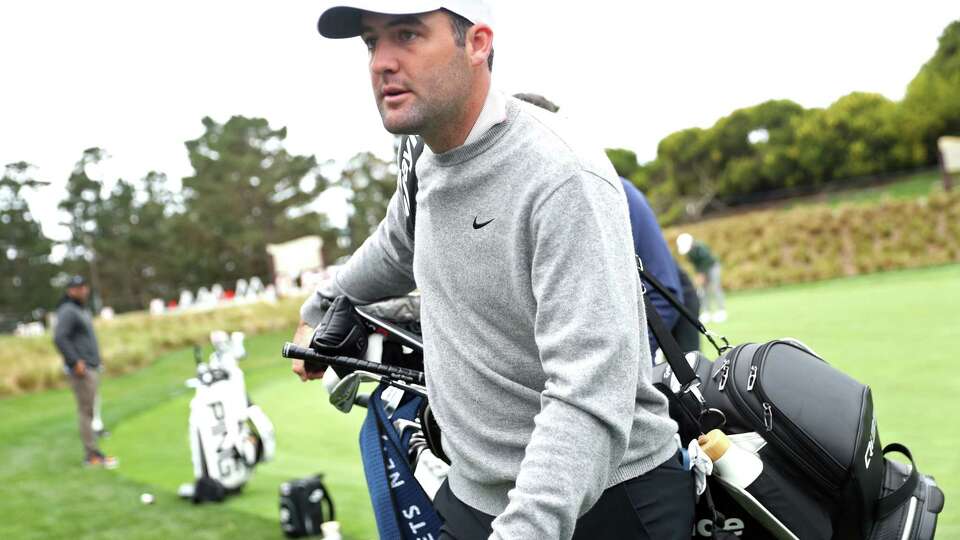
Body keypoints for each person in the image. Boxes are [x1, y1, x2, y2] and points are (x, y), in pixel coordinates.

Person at [294, 3, 693, 539]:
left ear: (477, 43)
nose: (381, 62)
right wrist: (320, 308)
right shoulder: (425, 157)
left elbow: (589, 393)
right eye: (371, 42)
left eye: (407, 34)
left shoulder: (561, 175)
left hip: (603, 505)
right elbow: (396, 248)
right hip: (476, 500)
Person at [511, 92, 693, 356]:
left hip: (663, 316)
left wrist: (620, 365)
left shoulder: (618, 191)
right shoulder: (525, 202)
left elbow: (665, 294)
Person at [53, 275, 117, 468]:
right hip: (81, 370)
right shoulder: (68, 311)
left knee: (90, 409)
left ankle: (93, 451)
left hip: (91, 366)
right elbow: (59, 338)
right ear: (70, 290)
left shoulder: (80, 309)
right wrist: (75, 362)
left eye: (84, 287)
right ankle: (91, 454)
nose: (83, 290)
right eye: (78, 288)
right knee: (86, 412)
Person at [677, 233, 726, 323]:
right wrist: (699, 275)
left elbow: (706, 262)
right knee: (703, 291)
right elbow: (697, 265)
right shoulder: (689, 253)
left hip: (712, 268)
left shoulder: (701, 247)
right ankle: (706, 312)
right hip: (702, 271)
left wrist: (702, 275)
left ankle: (721, 311)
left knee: (715, 288)